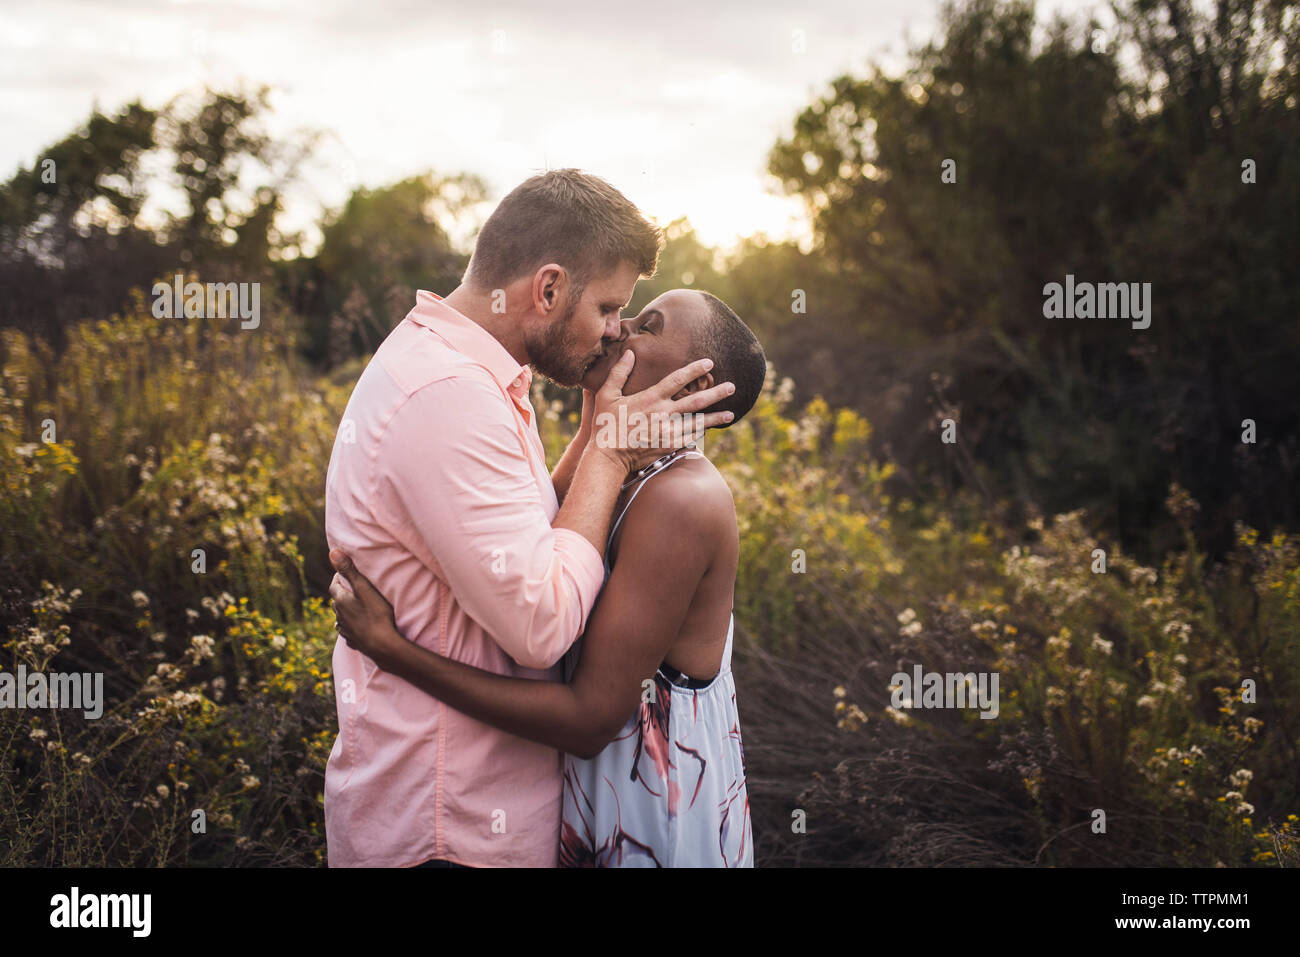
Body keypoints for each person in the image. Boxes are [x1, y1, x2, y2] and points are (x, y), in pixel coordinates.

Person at [323, 170, 736, 868]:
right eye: (608, 305)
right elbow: (541, 623)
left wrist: (592, 439)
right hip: (448, 825)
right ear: (547, 289)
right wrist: (605, 455)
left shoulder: (466, 371)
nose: (615, 329)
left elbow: (515, 545)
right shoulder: (452, 395)